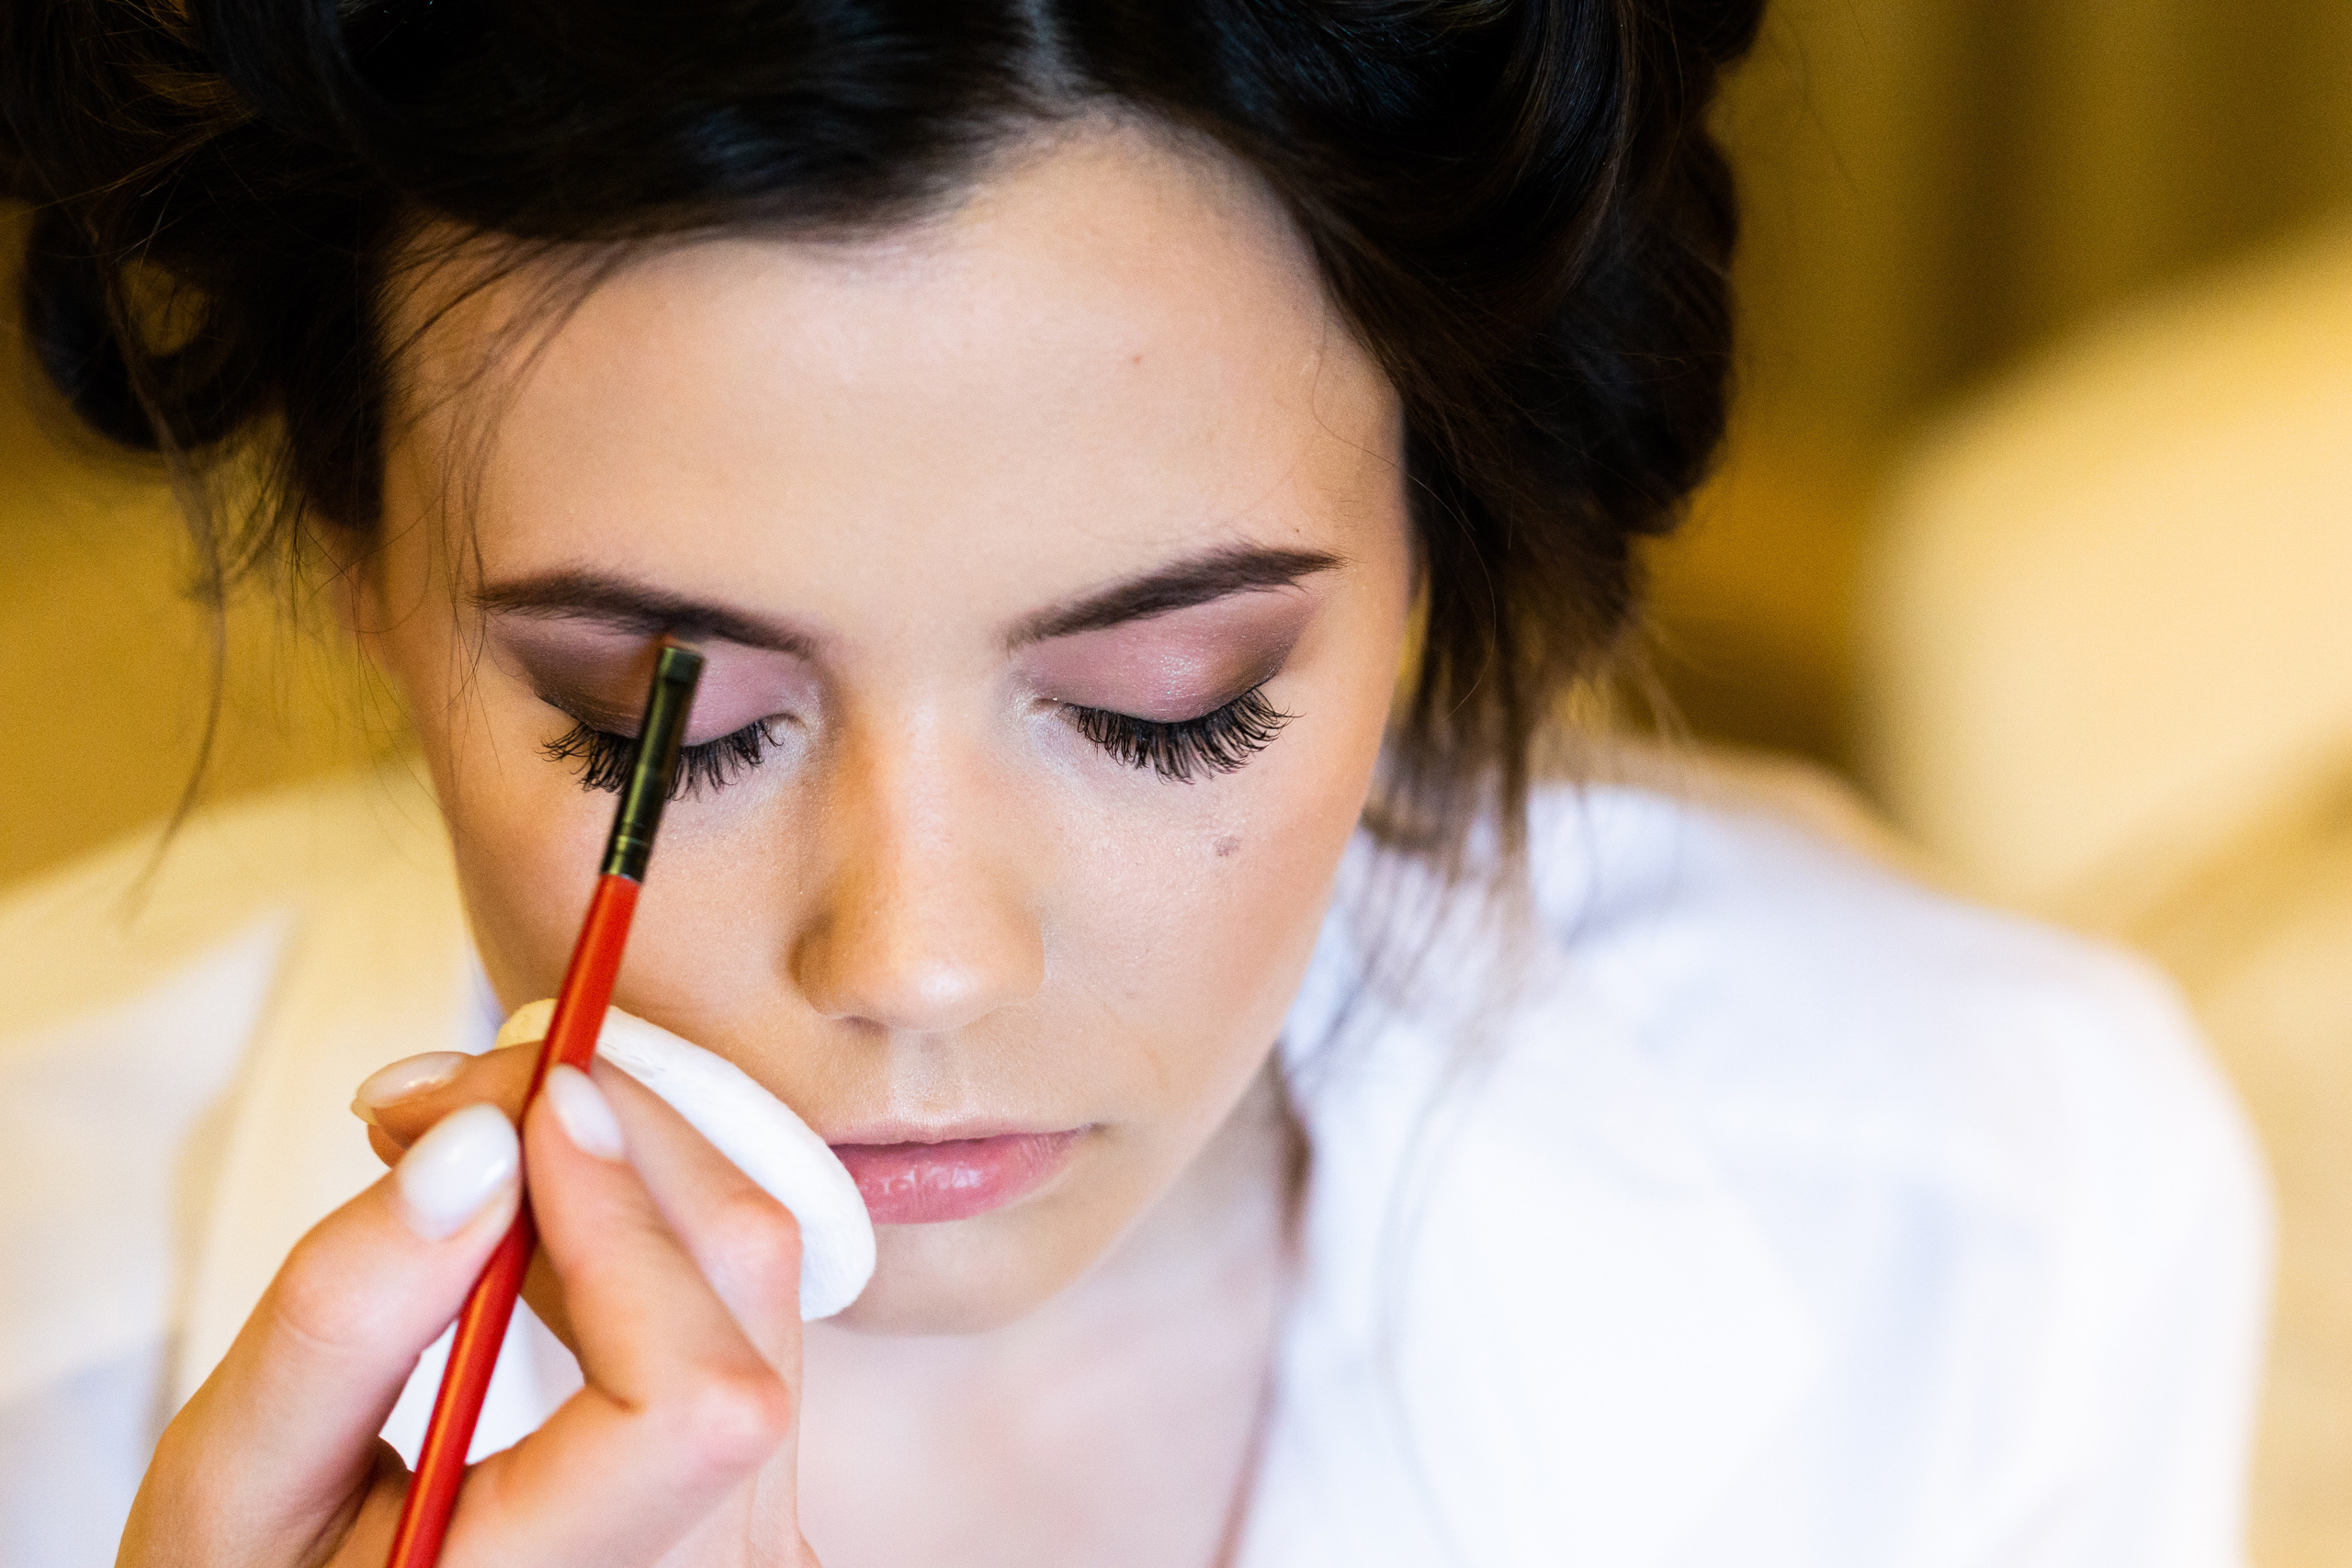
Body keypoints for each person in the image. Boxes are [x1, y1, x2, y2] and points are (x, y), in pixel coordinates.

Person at [0, 1, 2268, 1564]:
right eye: (670, 720)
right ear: (352, 559)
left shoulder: (1976, 1217)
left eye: (1166, 697)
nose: (915, 960)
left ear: (1425, 555)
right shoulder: (42, 1321)